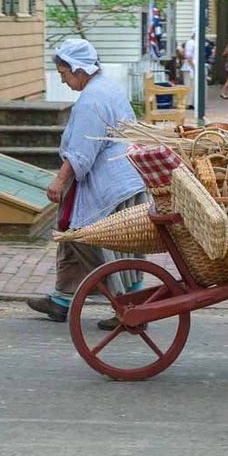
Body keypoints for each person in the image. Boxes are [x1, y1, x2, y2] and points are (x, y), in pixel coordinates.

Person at [27, 39, 148, 330]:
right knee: (73, 234)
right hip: (123, 178)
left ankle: (130, 306)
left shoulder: (92, 99)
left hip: (109, 185)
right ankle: (62, 298)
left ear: (79, 69)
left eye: (64, 74)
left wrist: (59, 179)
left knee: (88, 241)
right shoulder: (107, 88)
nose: (63, 80)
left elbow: (83, 148)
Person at [182, 32, 196, 109]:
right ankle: (188, 103)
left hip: (193, 67)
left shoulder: (195, 43)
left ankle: (193, 102)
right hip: (189, 68)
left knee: (193, 86)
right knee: (189, 85)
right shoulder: (190, 43)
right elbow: (188, 56)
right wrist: (193, 66)